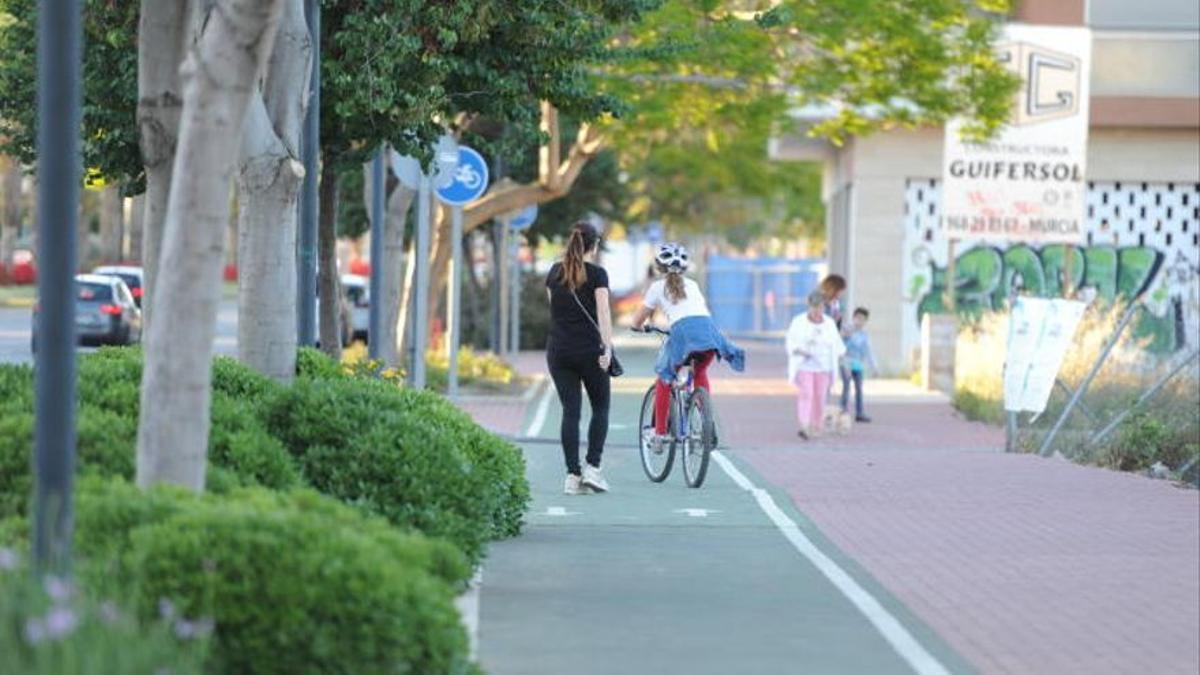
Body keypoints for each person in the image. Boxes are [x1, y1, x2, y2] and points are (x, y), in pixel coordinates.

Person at [631, 243, 745, 448]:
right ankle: (706, 422)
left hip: (683, 334)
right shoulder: (692, 285)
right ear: (684, 268)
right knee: (700, 372)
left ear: (659, 267)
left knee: (665, 378)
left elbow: (637, 320)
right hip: (709, 332)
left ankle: (659, 434)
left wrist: (638, 327)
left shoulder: (657, 287)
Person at [545, 223, 613, 495]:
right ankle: (593, 469)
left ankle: (572, 477)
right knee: (601, 408)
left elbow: (554, 311)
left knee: (570, 412)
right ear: (594, 246)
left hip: (559, 351)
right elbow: (604, 313)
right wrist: (606, 349)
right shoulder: (597, 274)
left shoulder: (553, 272)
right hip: (590, 351)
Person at [786, 290, 846, 439]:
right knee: (806, 393)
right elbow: (791, 341)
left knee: (820, 396)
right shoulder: (798, 322)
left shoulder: (829, 324)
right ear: (809, 306)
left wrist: (843, 358)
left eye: (820, 308)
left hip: (824, 366)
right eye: (814, 308)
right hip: (804, 365)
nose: (817, 311)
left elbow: (837, 344)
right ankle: (804, 425)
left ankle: (816, 424)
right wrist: (799, 350)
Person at [840, 307, 878, 423]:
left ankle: (859, 413)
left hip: (858, 364)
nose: (860, 321)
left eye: (863, 319)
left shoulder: (864, 335)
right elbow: (839, 344)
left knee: (859, 389)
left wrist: (874, 367)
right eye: (858, 318)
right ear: (853, 318)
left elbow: (868, 351)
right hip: (846, 362)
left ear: (866, 321)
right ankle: (843, 412)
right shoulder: (847, 329)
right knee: (846, 388)